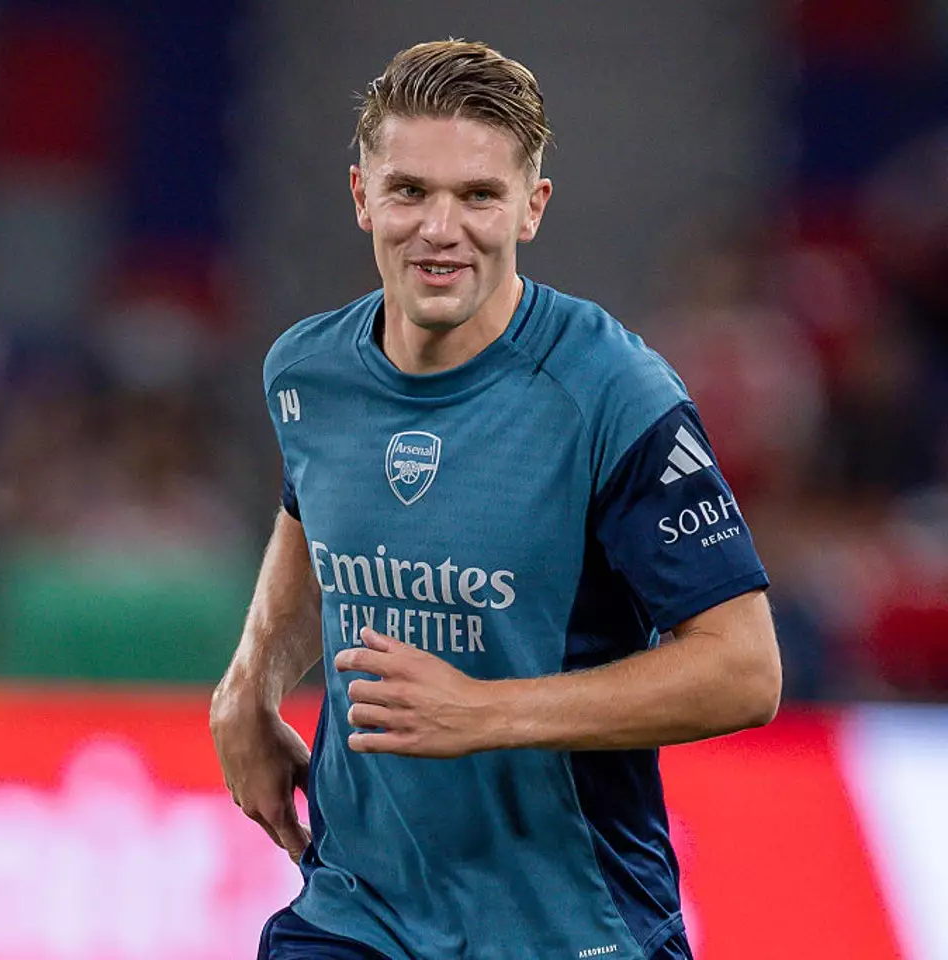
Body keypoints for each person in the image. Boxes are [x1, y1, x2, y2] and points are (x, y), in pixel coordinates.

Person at [209, 40, 781, 960]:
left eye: (478, 196)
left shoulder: (612, 393)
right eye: (410, 191)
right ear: (362, 196)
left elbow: (745, 671)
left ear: (531, 208)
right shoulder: (307, 372)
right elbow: (311, 524)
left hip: (568, 924)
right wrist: (249, 686)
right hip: (357, 910)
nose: (441, 228)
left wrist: (485, 713)